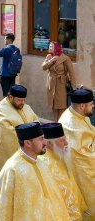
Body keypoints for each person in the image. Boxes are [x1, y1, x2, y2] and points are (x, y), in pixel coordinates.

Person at [0, 122, 71, 221]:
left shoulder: (41, 164)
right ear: (28, 143)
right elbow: (4, 209)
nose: (45, 142)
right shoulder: (12, 169)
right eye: (41, 139)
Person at [0, 84, 39, 186]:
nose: (22, 103)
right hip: (6, 153)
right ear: (10, 97)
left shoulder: (26, 107)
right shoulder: (0, 112)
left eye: (24, 100)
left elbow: (36, 121)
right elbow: (9, 134)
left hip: (29, 148)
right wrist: (32, 142)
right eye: (19, 100)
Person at [58, 89, 95, 219]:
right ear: (82, 106)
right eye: (91, 104)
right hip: (81, 173)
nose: (93, 106)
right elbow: (82, 157)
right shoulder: (70, 123)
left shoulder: (80, 115)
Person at [40, 123, 87, 220]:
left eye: (65, 139)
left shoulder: (59, 156)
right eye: (61, 140)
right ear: (49, 143)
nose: (66, 143)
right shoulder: (45, 164)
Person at [42, 41, 77, 120]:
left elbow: (71, 73)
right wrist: (51, 61)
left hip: (61, 83)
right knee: (53, 105)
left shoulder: (65, 58)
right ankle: (55, 123)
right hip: (51, 83)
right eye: (49, 46)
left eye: (51, 47)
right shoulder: (49, 57)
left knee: (61, 106)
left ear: (56, 48)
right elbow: (43, 67)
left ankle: (60, 124)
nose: (49, 48)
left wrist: (74, 87)